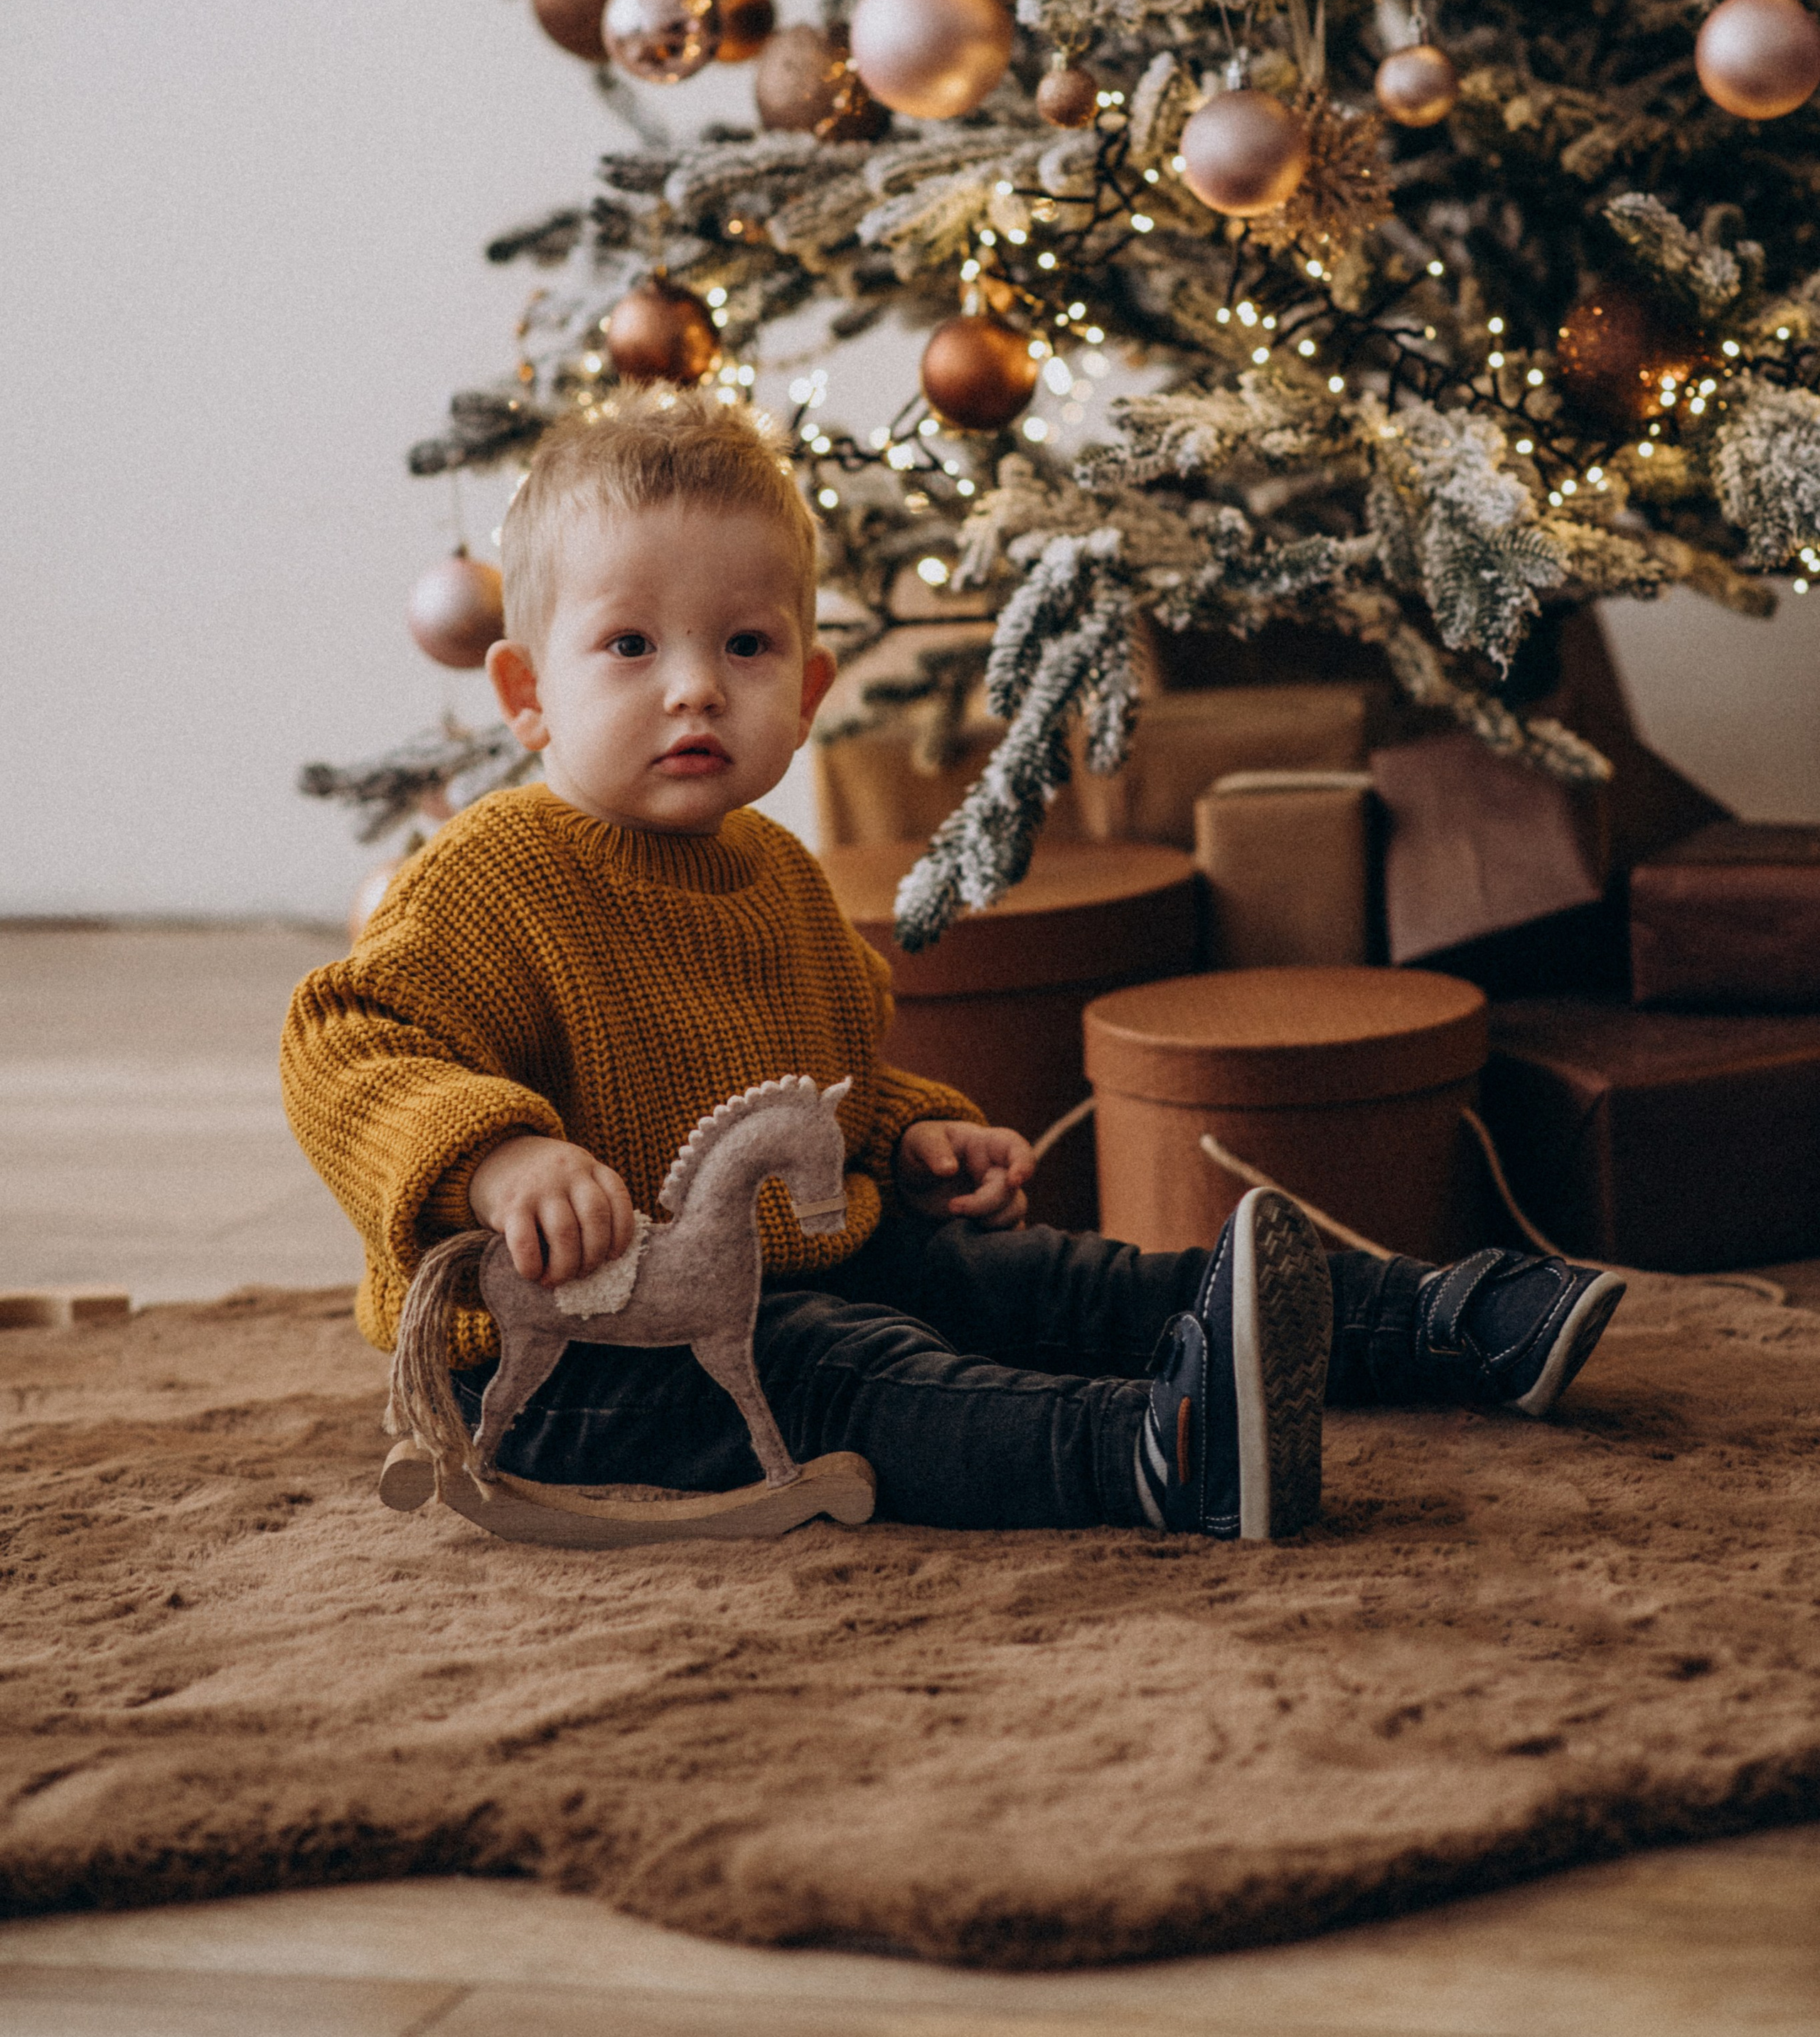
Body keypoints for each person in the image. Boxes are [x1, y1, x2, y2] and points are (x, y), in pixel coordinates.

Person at [282, 390, 1624, 1541]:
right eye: (631, 646)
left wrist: (915, 1130)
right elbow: (344, 1040)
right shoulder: (498, 870)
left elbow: (825, 1081)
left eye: (743, 647)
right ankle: (1153, 1453)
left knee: (1042, 1277)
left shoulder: (780, 875)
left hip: (790, 1258)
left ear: (805, 693)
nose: (695, 687)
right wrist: (495, 1156)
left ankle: (1438, 1319)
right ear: (527, 695)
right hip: (578, 1352)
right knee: (842, 1369)